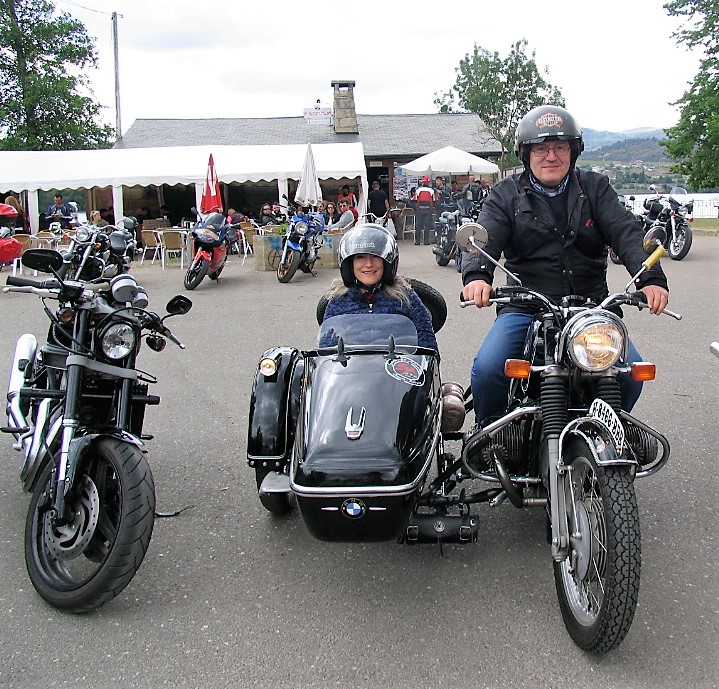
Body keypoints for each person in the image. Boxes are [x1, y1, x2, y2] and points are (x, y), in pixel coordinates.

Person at [461, 104, 669, 425]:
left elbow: (626, 231)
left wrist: (651, 279)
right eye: (541, 148)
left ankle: (609, 432)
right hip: (526, 307)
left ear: (573, 151)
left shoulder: (595, 188)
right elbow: (484, 235)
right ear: (526, 154)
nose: (551, 156)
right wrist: (477, 275)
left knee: (629, 374)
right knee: (489, 369)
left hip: (591, 308)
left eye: (560, 147)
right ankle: (491, 434)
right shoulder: (506, 194)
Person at [320, 224, 437, 351]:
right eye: (360, 257)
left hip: (396, 363)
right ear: (349, 264)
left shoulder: (406, 298)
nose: (369, 264)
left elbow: (428, 347)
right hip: (351, 364)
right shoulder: (338, 301)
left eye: (375, 256)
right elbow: (326, 351)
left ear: (387, 262)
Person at [412, 176, 436, 245]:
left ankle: (417, 241)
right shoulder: (431, 190)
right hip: (428, 210)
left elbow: (414, 199)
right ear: (428, 182)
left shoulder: (418, 190)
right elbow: (434, 200)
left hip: (419, 209)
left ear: (423, 182)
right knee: (427, 225)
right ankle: (426, 241)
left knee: (418, 225)